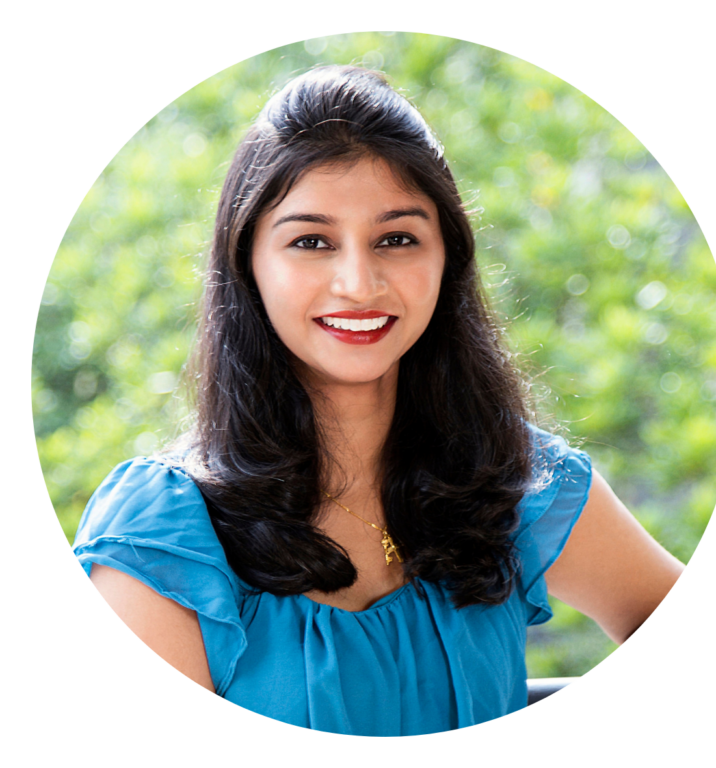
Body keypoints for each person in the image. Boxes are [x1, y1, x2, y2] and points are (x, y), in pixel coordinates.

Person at [73, 65, 683, 736]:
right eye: (311, 241)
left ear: (446, 258)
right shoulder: (161, 537)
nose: (359, 283)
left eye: (397, 238)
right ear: (248, 262)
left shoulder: (519, 480)